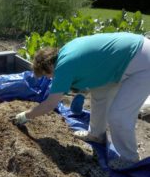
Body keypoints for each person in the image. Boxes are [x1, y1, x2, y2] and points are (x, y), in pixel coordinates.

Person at [14, 32, 150, 169]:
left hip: (143, 63)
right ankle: (96, 134)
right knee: (100, 94)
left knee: (119, 115)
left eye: (47, 75)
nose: (49, 79)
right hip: (132, 51)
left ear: (49, 66)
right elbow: (93, 67)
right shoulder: (66, 51)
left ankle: (129, 158)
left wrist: (25, 116)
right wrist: (83, 90)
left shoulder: (64, 66)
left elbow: (49, 104)